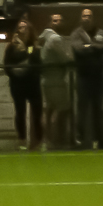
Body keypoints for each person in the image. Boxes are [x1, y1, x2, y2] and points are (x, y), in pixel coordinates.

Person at [68, 8, 103, 149]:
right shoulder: (76, 33)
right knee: (82, 109)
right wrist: (96, 47)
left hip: (98, 78)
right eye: (84, 16)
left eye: (89, 16)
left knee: (97, 109)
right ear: (81, 18)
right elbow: (78, 50)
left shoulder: (100, 32)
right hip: (83, 78)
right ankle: (80, 139)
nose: (86, 18)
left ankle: (97, 140)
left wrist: (89, 46)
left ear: (93, 18)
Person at [3, 17, 43, 150]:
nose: (23, 30)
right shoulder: (11, 47)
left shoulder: (32, 46)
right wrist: (16, 72)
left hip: (32, 83)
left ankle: (38, 140)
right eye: (20, 27)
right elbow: (7, 65)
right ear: (17, 30)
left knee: (37, 111)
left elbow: (33, 59)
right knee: (20, 112)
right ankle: (22, 139)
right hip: (18, 84)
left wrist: (25, 51)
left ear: (30, 30)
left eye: (25, 27)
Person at [39, 13, 75, 150]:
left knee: (49, 110)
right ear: (51, 22)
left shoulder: (43, 37)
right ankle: (57, 140)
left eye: (59, 20)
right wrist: (72, 60)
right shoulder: (55, 38)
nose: (58, 23)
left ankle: (47, 140)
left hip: (46, 79)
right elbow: (63, 58)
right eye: (55, 21)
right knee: (62, 110)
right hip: (56, 80)